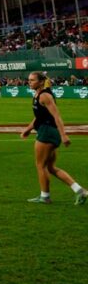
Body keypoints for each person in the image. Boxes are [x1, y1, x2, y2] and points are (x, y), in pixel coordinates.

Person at [22, 72, 88, 205]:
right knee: (51, 167)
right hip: (48, 131)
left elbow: (57, 116)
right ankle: (81, 191)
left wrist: (64, 135)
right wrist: (28, 129)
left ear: (41, 82)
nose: (29, 82)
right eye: (28, 80)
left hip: (47, 132)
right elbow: (39, 116)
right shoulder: (38, 95)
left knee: (40, 165)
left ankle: (45, 197)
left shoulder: (45, 96)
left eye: (32, 80)